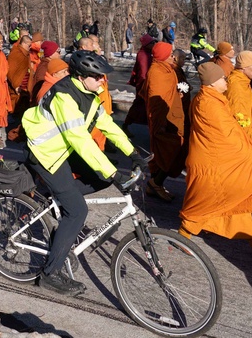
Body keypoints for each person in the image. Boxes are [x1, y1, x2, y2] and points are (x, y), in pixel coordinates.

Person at [21, 50, 143, 296]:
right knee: (78, 211)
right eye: (97, 77)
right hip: (47, 155)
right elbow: (81, 142)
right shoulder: (64, 96)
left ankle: (60, 205)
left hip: (63, 150)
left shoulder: (89, 93)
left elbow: (106, 124)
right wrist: (114, 173)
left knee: (98, 179)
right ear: (82, 75)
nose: (102, 81)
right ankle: (49, 275)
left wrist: (133, 153)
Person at [179, 62, 252, 266]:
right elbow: (232, 139)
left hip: (215, 162)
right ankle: (182, 236)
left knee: (236, 206)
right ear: (213, 82)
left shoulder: (209, 99)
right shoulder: (209, 104)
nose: (226, 81)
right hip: (215, 166)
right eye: (223, 78)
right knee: (208, 203)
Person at [142, 42, 187, 202]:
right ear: (162, 56)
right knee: (170, 152)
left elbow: (173, 88)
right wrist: (159, 124)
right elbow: (156, 103)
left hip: (174, 116)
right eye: (169, 55)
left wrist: (180, 92)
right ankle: (155, 183)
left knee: (171, 152)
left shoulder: (169, 69)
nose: (172, 57)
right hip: (164, 121)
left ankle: (155, 185)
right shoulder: (157, 72)